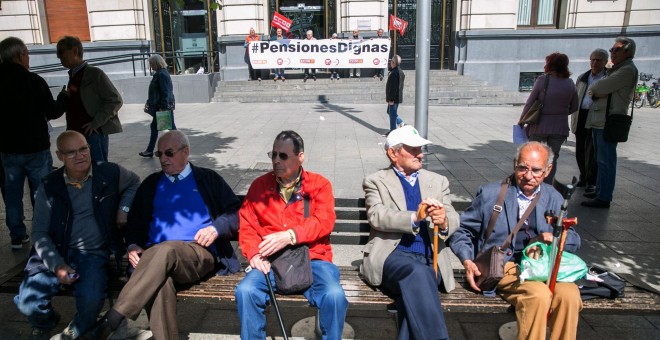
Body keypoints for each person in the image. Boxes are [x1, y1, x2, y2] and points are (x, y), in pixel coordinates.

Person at [84, 130, 242, 340]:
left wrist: (216, 228)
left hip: (197, 253)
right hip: (153, 259)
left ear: (185, 152)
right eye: (159, 154)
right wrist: (132, 245)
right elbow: (135, 223)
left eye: (169, 153)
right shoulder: (151, 184)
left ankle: (112, 319)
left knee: (165, 249)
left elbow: (237, 212)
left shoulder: (207, 179)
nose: (163, 159)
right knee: (159, 284)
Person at [449, 141, 582, 340]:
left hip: (543, 266)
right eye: (523, 168)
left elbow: (573, 238)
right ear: (514, 164)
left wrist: (554, 237)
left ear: (548, 170)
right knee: (538, 295)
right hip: (506, 266)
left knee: (570, 296)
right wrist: (467, 260)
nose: (528, 176)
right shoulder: (491, 193)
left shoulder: (553, 197)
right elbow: (461, 230)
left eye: (536, 170)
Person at [14, 130, 140, 339]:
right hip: (57, 251)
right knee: (28, 303)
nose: (80, 156)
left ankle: (77, 329)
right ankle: (46, 321)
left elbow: (135, 182)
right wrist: (57, 265)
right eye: (71, 152)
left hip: (92, 254)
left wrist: (124, 209)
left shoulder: (109, 172)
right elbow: (39, 232)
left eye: (83, 149)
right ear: (59, 156)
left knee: (91, 302)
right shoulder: (50, 185)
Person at [235, 130, 348, 339]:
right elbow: (247, 224)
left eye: (283, 156)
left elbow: (324, 221)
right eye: (273, 155)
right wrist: (253, 253)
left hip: (313, 258)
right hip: (271, 260)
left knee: (334, 296)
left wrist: (290, 235)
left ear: (300, 157)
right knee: (245, 291)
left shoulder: (319, 185)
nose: (276, 161)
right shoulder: (259, 186)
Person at [360, 125, 459, 339]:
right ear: (393, 153)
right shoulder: (376, 181)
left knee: (413, 291)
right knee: (419, 275)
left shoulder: (437, 181)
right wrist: (414, 217)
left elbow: (452, 215)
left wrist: (443, 221)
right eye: (413, 149)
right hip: (392, 256)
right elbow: (377, 215)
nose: (420, 154)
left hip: (430, 259)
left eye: (420, 149)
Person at [0, 36, 66, 250]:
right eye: (27, 53)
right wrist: (64, 98)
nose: (28, 57)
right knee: (40, 192)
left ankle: (17, 236)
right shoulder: (33, 81)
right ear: (20, 55)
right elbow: (53, 111)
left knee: (12, 194)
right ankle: (43, 232)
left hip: (8, 150)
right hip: (36, 149)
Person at [582, 37, 638, 209]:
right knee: (600, 159)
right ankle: (600, 190)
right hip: (600, 120)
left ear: (627, 52)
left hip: (609, 121)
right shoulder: (616, 69)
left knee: (606, 160)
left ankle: (604, 196)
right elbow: (598, 90)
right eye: (612, 49)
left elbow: (596, 88)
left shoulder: (627, 70)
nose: (612, 52)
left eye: (616, 50)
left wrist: (597, 91)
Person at [56, 36, 123, 163]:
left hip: (93, 135)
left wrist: (96, 122)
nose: (59, 57)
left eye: (61, 52)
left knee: (99, 170)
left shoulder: (94, 74)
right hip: (76, 135)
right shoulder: (73, 75)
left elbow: (115, 100)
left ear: (75, 51)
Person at [520, 52, 578, 184]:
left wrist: (522, 120)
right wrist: (560, 113)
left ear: (549, 64)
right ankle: (547, 185)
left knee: (535, 156)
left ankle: (534, 183)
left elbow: (530, 102)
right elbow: (575, 106)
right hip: (560, 127)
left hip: (539, 125)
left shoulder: (542, 80)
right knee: (552, 158)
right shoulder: (570, 83)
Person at [570, 49, 607, 194]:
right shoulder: (583, 77)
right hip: (581, 114)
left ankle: (592, 180)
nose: (595, 62)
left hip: (596, 116)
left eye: (598, 60)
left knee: (592, 151)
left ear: (605, 62)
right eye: (593, 59)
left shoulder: (607, 78)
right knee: (580, 149)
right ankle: (583, 176)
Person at [139, 54, 177, 158]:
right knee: (161, 127)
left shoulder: (161, 74)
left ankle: (179, 147)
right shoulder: (161, 73)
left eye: (151, 64)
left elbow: (165, 92)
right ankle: (150, 150)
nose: (151, 66)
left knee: (172, 129)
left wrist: (163, 107)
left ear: (157, 63)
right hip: (162, 106)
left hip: (162, 106)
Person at [385, 55, 405, 133]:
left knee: (392, 115)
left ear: (394, 63)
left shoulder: (394, 73)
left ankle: (393, 131)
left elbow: (393, 87)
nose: (390, 62)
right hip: (397, 97)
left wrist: (391, 99)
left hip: (393, 98)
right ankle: (400, 122)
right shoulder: (400, 72)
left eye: (391, 61)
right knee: (390, 112)